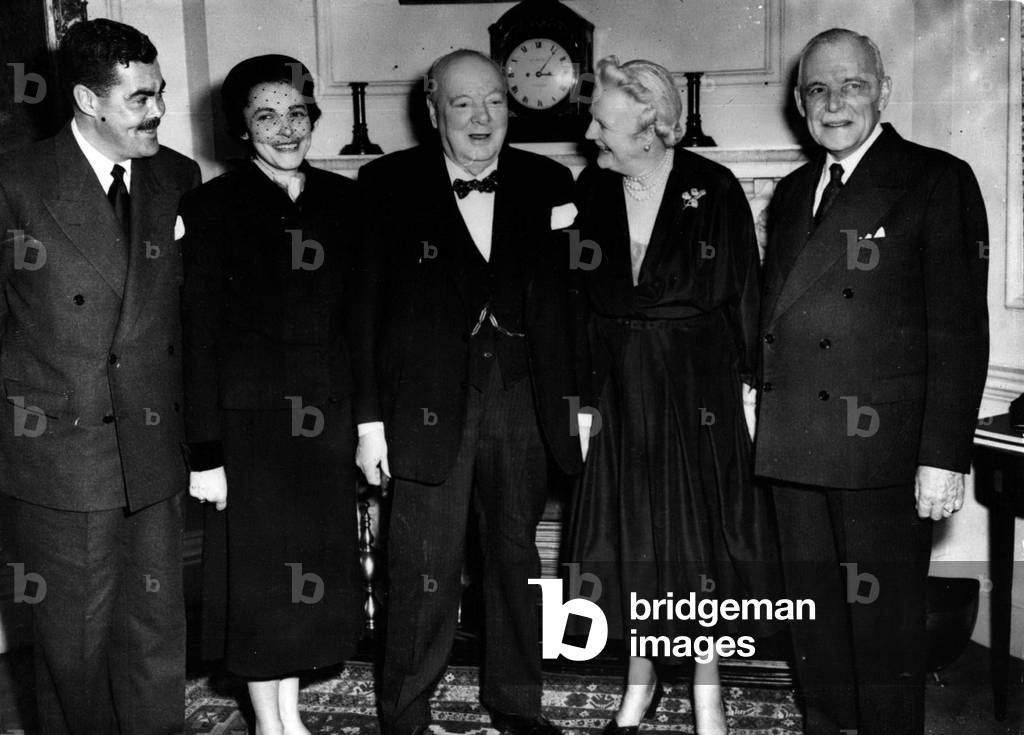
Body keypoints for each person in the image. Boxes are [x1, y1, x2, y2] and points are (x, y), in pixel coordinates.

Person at [755, 28, 989, 735]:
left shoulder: (935, 179)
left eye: (852, 85)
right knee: (814, 629)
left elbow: (959, 331)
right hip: (795, 448)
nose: (835, 103)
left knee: (883, 638)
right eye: (819, 90)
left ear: (883, 91)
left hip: (882, 452)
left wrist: (943, 456)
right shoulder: (793, 192)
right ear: (800, 103)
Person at [353, 48, 583, 735]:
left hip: (521, 399)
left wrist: (579, 403)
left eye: (494, 102)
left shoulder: (550, 181)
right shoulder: (384, 183)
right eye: (462, 103)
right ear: (433, 113)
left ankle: (517, 702)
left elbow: (571, 306)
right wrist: (369, 423)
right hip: (423, 406)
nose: (482, 118)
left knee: (515, 554)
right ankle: (404, 712)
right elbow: (361, 314)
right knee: (421, 561)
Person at [563, 56, 776, 735]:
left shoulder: (713, 189)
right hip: (618, 393)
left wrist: (753, 392)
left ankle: (707, 690)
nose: (590, 134)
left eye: (603, 123)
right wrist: (581, 400)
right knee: (628, 541)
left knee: (696, 545)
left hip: (695, 392)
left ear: (650, 126)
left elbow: (746, 296)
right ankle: (640, 680)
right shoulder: (591, 189)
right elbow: (574, 301)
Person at [0, 18, 200, 734]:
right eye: (140, 98)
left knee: (156, 632)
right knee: (74, 643)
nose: (158, 110)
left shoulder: (177, 176)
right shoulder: (17, 182)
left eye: (160, 92)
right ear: (88, 100)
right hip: (61, 451)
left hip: (152, 444)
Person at [181, 54, 364, 735]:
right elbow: (197, 337)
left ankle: (290, 715)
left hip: (324, 424)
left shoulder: (344, 201)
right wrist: (205, 453)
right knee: (260, 582)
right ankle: (269, 723)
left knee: (305, 577)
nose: (286, 128)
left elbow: (358, 321)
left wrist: (363, 423)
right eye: (266, 116)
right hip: (248, 431)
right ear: (241, 128)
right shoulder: (210, 207)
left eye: (296, 113)